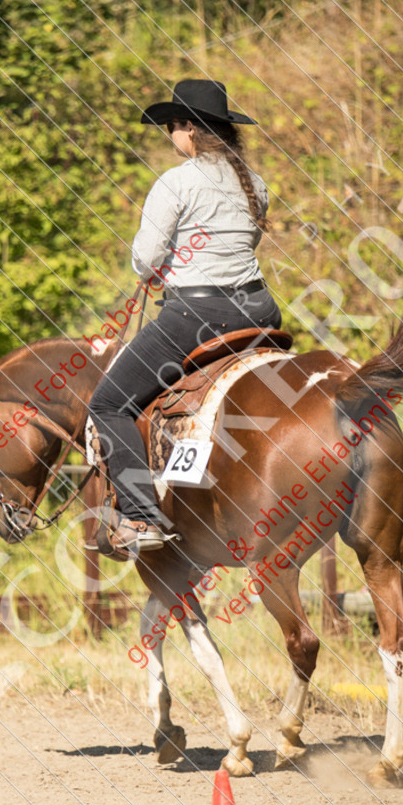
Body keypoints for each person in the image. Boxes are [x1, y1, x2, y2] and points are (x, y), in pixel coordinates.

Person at [88, 79, 282, 557]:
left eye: (172, 125)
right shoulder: (254, 183)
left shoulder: (175, 182)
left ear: (190, 129)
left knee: (108, 405)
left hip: (197, 314)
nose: (169, 134)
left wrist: (156, 268)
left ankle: (140, 518)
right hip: (260, 309)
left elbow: (147, 258)